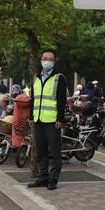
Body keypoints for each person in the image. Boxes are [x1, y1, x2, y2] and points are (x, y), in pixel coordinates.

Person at [28, 49, 67, 191]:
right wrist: (31, 117)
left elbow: (62, 100)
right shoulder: (36, 77)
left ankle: (53, 179)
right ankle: (43, 177)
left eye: (50, 59)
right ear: (41, 60)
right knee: (41, 150)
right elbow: (33, 99)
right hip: (38, 119)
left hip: (52, 121)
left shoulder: (59, 77)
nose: (47, 61)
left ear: (54, 62)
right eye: (45, 58)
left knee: (55, 151)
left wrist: (60, 118)